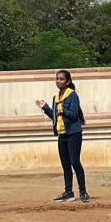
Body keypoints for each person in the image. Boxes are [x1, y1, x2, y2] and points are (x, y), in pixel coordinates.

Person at [35, 69, 89, 203]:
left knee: (74, 162)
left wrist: (62, 110)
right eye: (57, 79)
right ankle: (68, 192)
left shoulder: (72, 95)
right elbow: (55, 116)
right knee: (65, 164)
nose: (58, 81)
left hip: (74, 133)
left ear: (68, 81)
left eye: (61, 79)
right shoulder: (56, 97)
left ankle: (83, 192)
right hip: (62, 134)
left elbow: (73, 114)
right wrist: (46, 108)